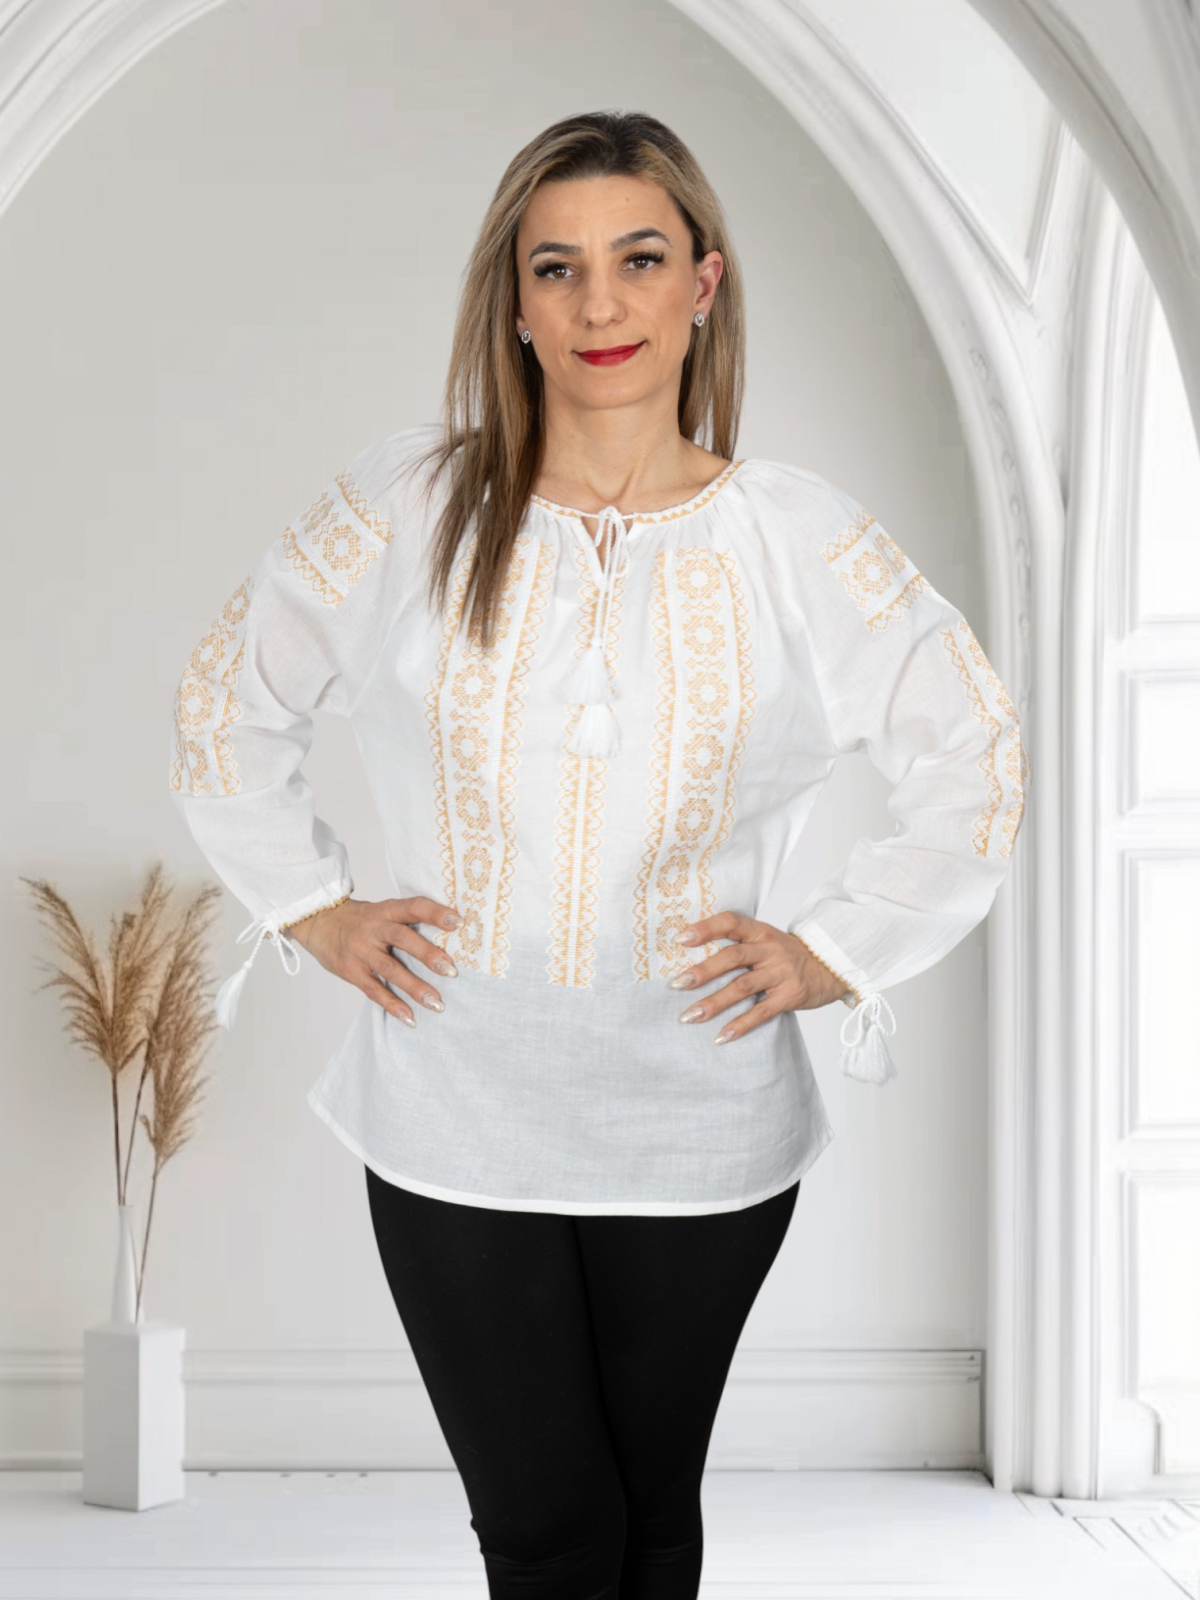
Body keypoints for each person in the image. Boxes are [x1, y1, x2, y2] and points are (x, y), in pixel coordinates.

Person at [169, 110, 1027, 1599]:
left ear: (704, 281)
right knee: (547, 1529)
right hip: (452, 1105)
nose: (598, 304)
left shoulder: (793, 539)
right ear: (513, 302)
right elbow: (226, 699)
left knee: (647, 1519)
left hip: (703, 1117)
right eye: (555, 268)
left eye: (638, 259)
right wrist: (311, 906)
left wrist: (834, 951)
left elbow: (978, 750)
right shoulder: (412, 506)